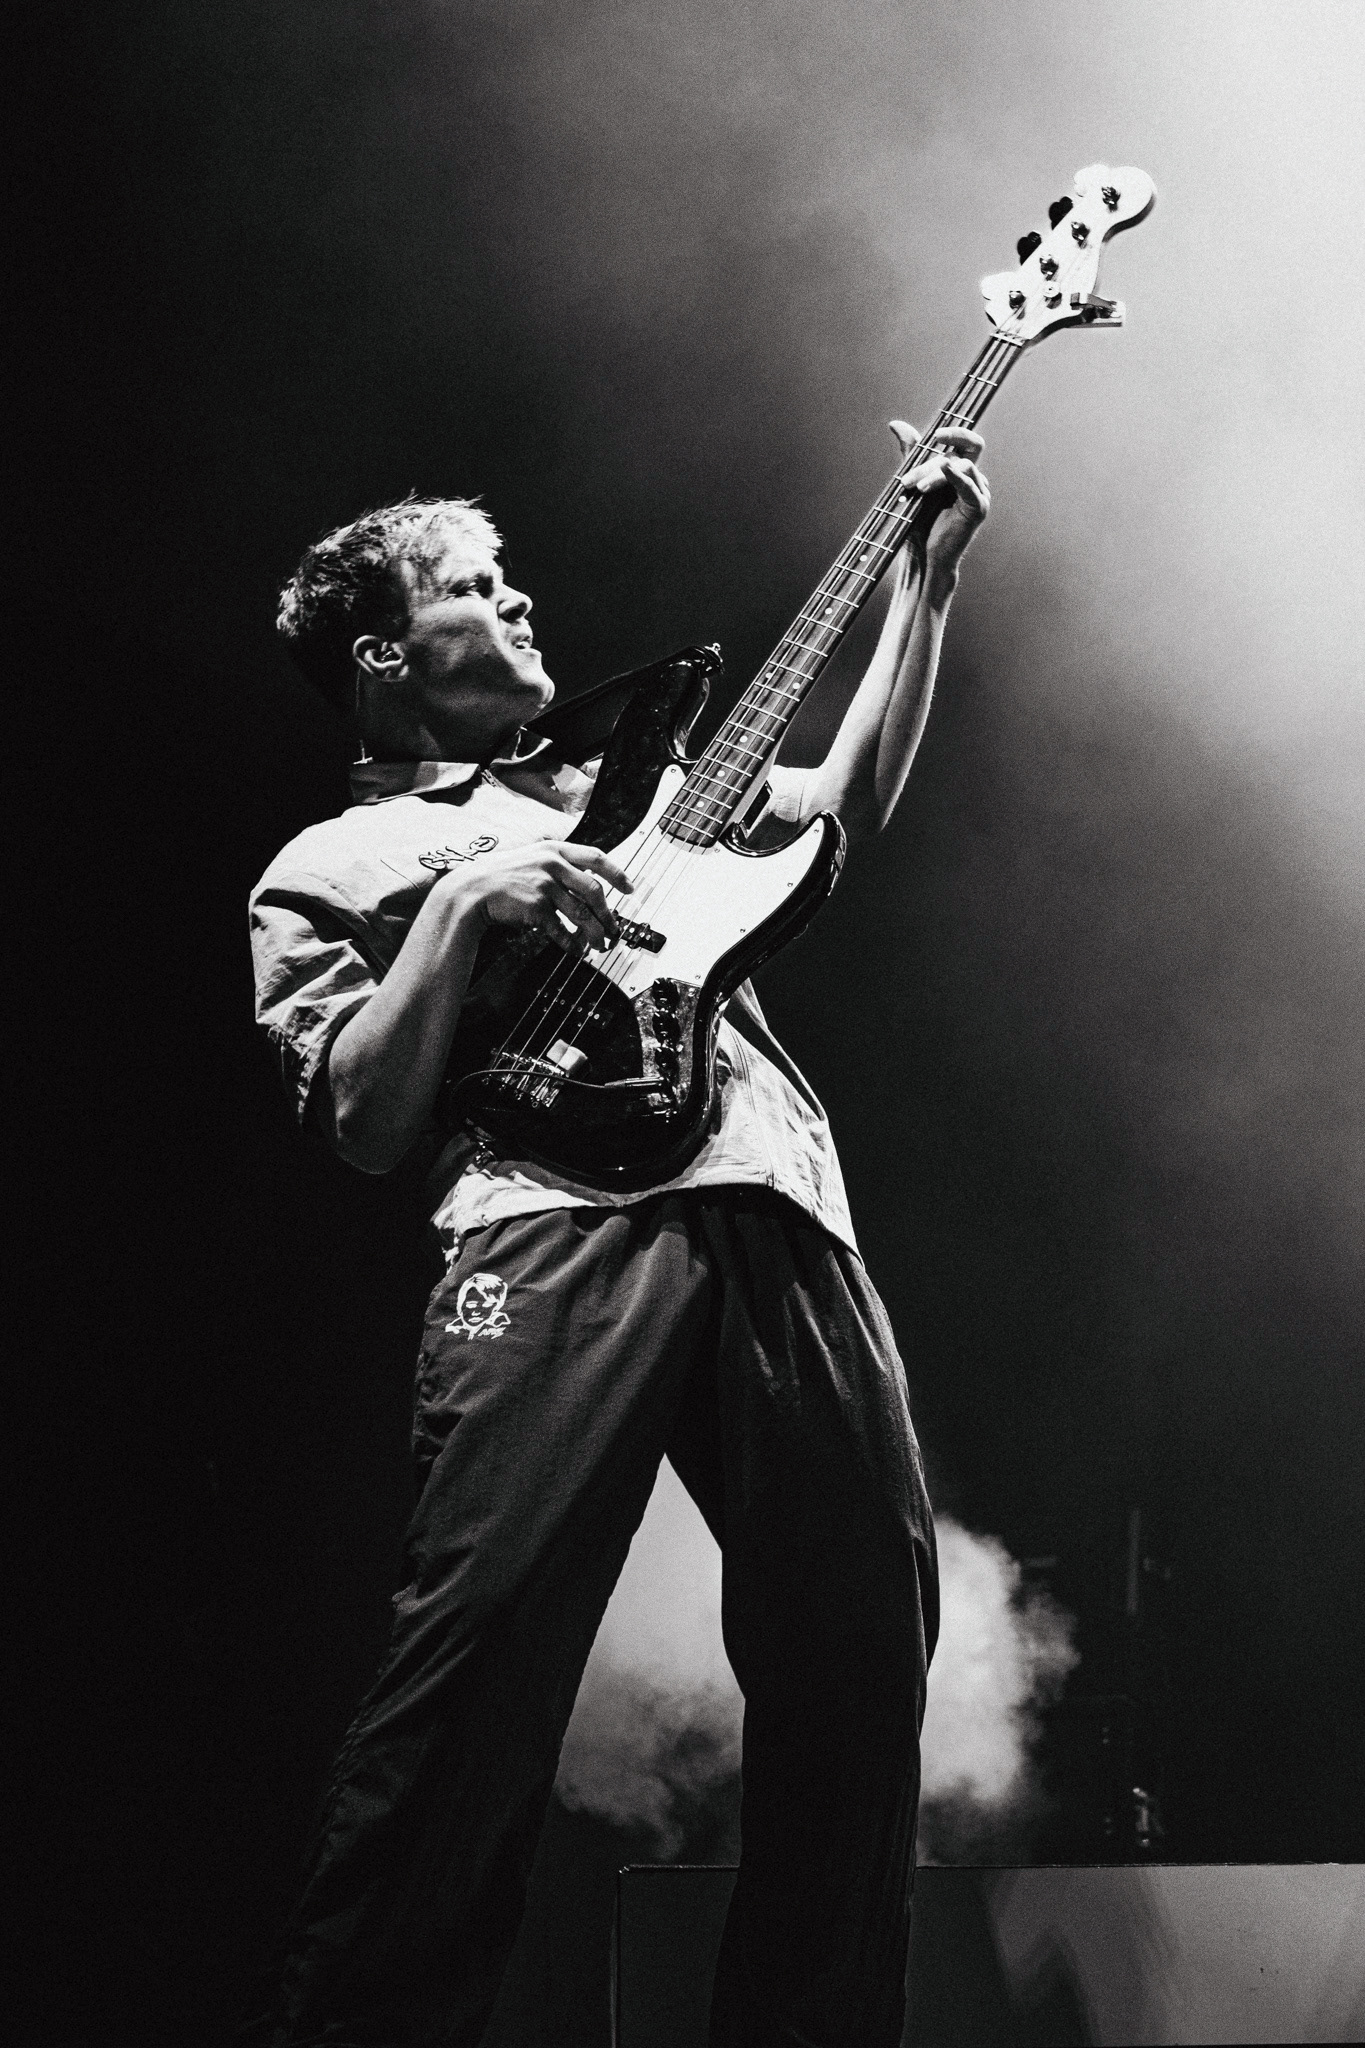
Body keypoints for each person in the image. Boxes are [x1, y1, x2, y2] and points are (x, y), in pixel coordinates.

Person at [247, 420, 989, 2048]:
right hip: (552, 1233)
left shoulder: (632, 787)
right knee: (476, 1669)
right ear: (384, 656)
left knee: (861, 1661)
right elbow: (364, 1118)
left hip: (776, 1206)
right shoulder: (330, 863)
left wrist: (922, 588)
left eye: (512, 578)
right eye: (472, 586)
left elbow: (841, 804)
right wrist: (463, 908)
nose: (520, 603)